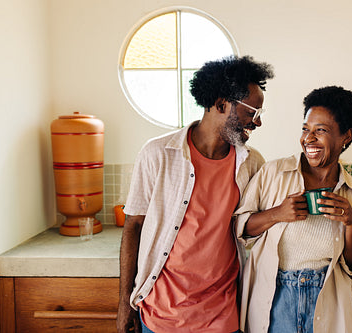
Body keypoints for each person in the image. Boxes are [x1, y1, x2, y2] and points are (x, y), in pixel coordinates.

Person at [117, 55, 274, 333]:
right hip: (159, 316)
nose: (257, 123)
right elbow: (134, 226)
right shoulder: (158, 154)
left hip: (222, 316)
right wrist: (123, 304)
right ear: (221, 104)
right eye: (252, 112)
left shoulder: (252, 163)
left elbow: (252, 228)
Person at [235, 86, 352, 333]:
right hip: (275, 298)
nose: (308, 138)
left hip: (327, 299)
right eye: (306, 129)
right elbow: (241, 228)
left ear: (346, 135)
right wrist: (277, 214)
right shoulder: (273, 173)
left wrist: (351, 224)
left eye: (321, 131)